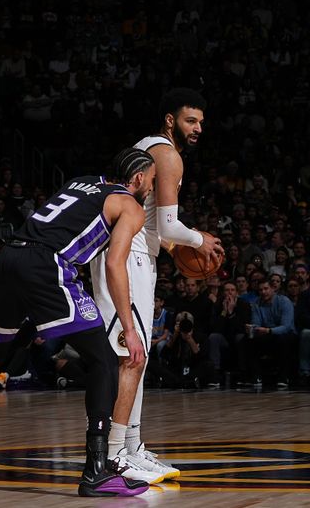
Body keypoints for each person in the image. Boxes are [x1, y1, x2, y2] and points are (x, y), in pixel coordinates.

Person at [0, 148, 156, 497]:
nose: (151, 188)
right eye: (150, 181)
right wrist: (129, 329)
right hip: (47, 266)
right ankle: (97, 470)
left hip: (10, 258)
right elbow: (115, 264)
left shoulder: (81, 184)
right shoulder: (130, 206)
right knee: (104, 360)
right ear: (137, 179)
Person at [89, 88, 223, 480]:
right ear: (170, 120)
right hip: (125, 256)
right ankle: (115, 453)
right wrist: (201, 240)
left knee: (139, 359)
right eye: (190, 121)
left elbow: (154, 227)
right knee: (130, 357)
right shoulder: (167, 154)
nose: (198, 129)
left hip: (137, 252)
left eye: (201, 122)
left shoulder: (145, 147)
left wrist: (169, 246)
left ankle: (132, 446)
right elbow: (167, 224)